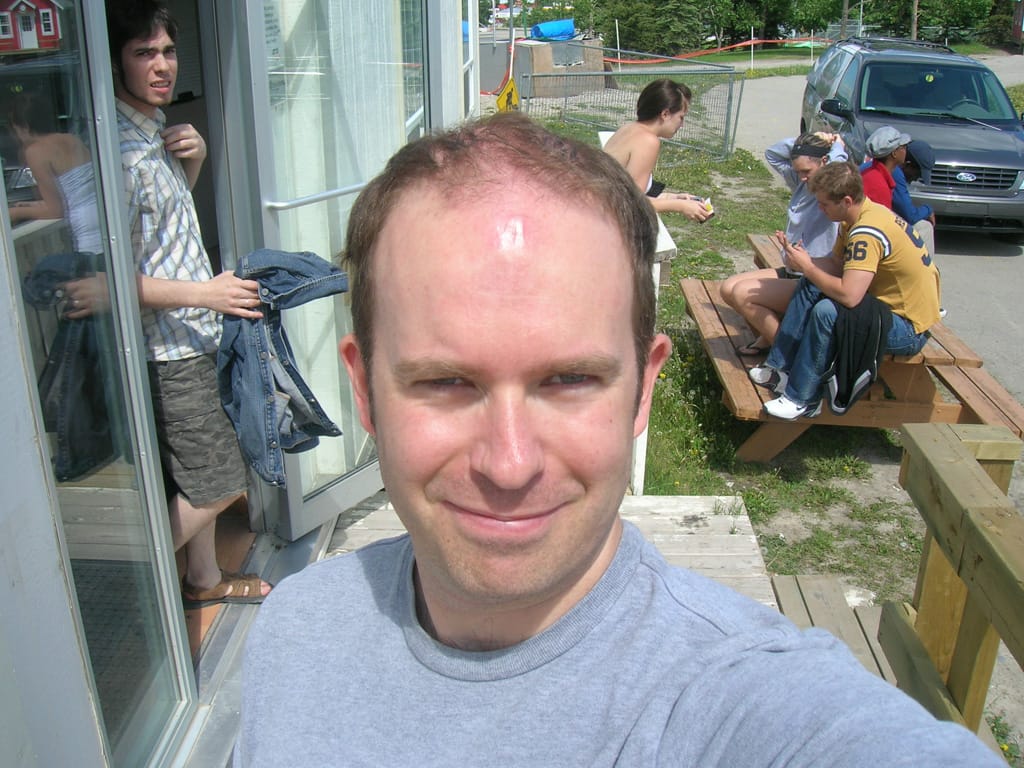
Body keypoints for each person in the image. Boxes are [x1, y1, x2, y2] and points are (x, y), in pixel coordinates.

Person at [234, 114, 996, 766]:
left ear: (642, 389)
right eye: (446, 383)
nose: (509, 463)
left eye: (568, 381)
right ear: (365, 391)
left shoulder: (735, 695)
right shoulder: (292, 636)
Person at [97, 0, 270, 606]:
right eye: (144, 53)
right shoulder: (119, 154)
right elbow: (112, 281)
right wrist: (207, 294)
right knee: (222, 483)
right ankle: (140, 578)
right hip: (168, 349)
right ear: (114, 61)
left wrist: (190, 165)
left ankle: (203, 580)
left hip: (194, 336)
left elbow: (162, 242)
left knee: (203, 475)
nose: (161, 64)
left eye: (168, 51)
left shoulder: (156, 136)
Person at [752, 161, 941, 420]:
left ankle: (802, 399)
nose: (820, 209)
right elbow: (835, 264)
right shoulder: (860, 214)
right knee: (811, 282)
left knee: (827, 312)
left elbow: (849, 297)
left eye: (825, 204)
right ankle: (781, 369)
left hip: (908, 327)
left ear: (847, 200)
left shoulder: (866, 232)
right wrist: (801, 259)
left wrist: (808, 268)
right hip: (884, 308)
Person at [720, 131, 846, 355]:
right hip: (791, 270)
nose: (803, 177)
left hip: (812, 278)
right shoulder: (801, 184)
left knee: (742, 294)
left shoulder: (832, 190)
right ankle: (772, 337)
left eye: (807, 171)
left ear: (825, 162)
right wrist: (807, 139)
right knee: (728, 288)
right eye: (798, 171)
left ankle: (788, 353)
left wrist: (836, 146)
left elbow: (838, 164)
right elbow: (773, 154)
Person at [602, 78, 712, 222]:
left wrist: (674, 197)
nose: (682, 125)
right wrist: (680, 206)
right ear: (665, 114)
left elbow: (626, 191)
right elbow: (633, 203)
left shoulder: (629, 129)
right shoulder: (648, 140)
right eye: (681, 117)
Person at [6, 92, 103, 255]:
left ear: (22, 127)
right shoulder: (72, 138)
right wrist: (30, 205)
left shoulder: (34, 151)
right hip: (104, 217)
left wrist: (14, 213)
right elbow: (72, 192)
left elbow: (55, 210)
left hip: (85, 230)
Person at [860, 125, 910, 210]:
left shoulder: (872, 173)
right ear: (894, 153)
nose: (906, 150)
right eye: (904, 147)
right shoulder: (879, 186)